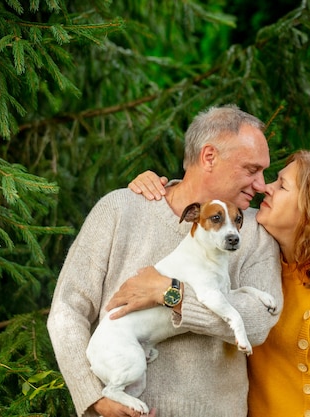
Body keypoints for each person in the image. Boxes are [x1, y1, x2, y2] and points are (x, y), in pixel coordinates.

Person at [47, 104, 283, 417]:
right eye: (252, 169)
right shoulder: (120, 210)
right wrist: (94, 398)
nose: (261, 184)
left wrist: (172, 294)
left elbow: (257, 324)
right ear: (209, 156)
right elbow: (66, 310)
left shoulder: (254, 231)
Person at [132, 150, 310, 416]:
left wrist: (170, 294)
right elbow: (209, 206)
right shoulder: (264, 260)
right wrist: (163, 190)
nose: (265, 188)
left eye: (281, 186)